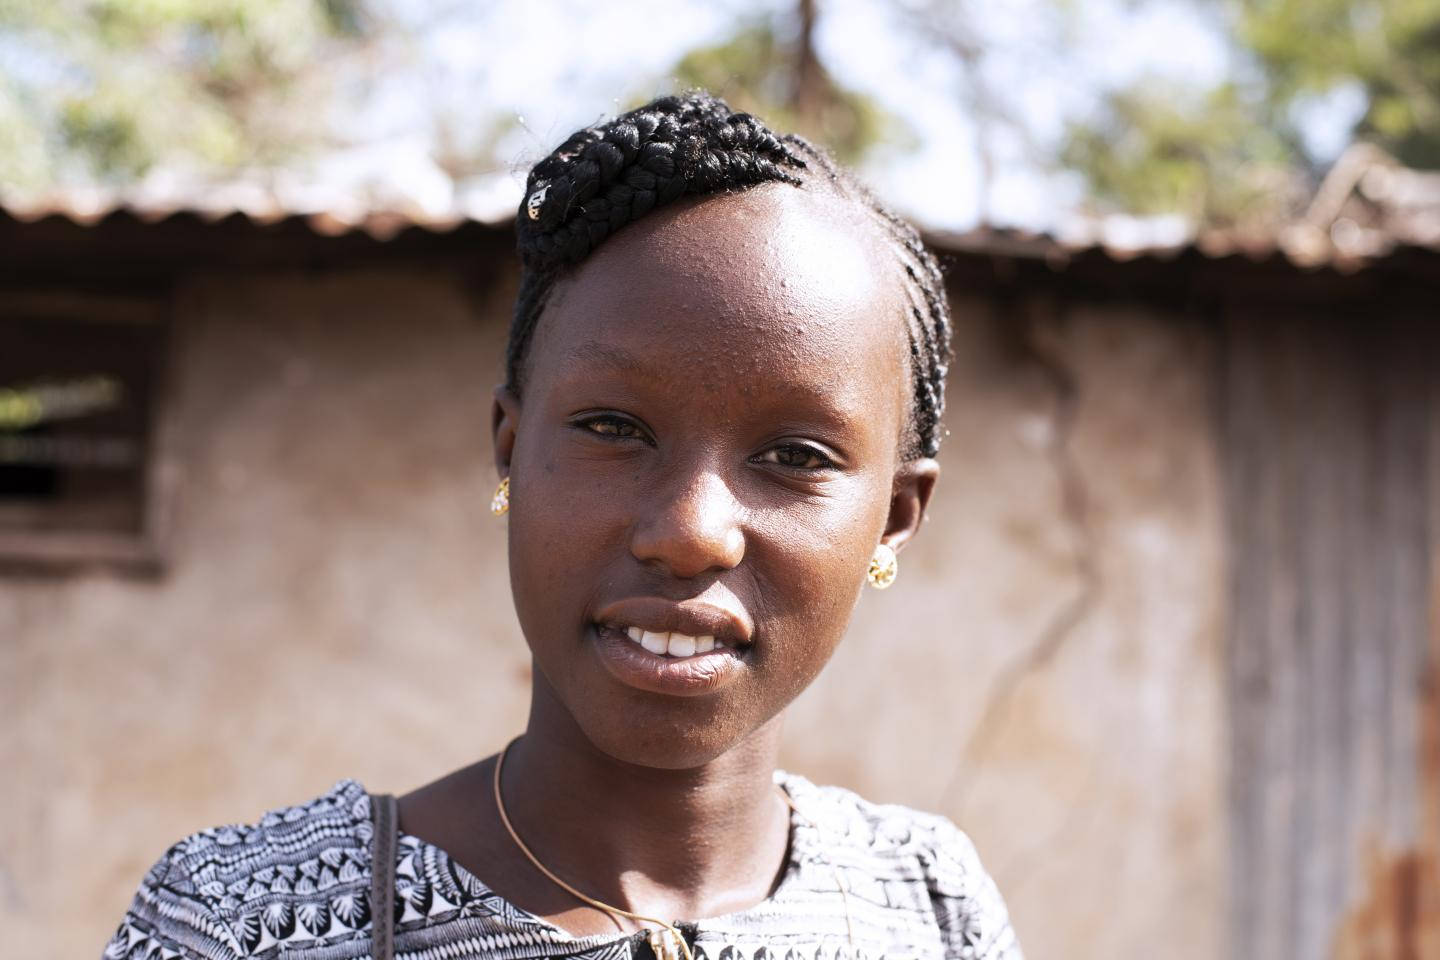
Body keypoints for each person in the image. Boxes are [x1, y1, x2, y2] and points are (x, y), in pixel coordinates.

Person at [103, 92, 1022, 960]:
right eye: (614, 430)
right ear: (509, 450)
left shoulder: (930, 905)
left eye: (795, 456)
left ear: (895, 519)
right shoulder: (236, 923)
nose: (692, 532)